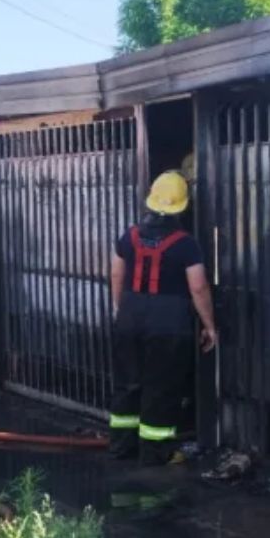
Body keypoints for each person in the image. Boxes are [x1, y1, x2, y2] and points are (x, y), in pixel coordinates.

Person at [108, 171, 217, 466]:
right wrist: (209, 325)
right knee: (161, 387)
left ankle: (121, 446)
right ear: (183, 207)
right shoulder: (186, 244)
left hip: (129, 320)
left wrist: (123, 308)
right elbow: (198, 286)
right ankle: (155, 452)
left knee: (128, 384)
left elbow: (117, 274)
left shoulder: (127, 237)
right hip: (169, 326)